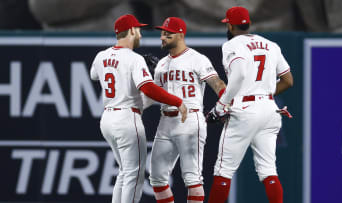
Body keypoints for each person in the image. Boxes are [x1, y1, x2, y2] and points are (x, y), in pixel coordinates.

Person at [90, 14, 188, 203]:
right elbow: (148, 88)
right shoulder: (134, 59)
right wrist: (176, 101)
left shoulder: (101, 56)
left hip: (108, 119)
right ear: (132, 31)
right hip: (127, 120)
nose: (141, 35)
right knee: (135, 175)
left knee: (125, 172)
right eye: (139, 30)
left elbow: (95, 75)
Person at [207, 7, 294, 203]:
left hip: (245, 109)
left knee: (224, 170)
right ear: (248, 24)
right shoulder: (271, 45)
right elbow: (288, 80)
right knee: (268, 170)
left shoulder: (231, 45)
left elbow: (239, 75)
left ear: (230, 25)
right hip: (270, 109)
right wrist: (265, 93)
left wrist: (221, 106)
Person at [146, 17, 227, 203]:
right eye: (162, 33)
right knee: (157, 178)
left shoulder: (197, 59)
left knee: (192, 178)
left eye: (168, 34)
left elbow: (217, 83)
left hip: (190, 119)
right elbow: (154, 95)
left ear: (181, 34)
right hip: (165, 121)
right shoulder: (161, 64)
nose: (163, 37)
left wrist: (226, 102)